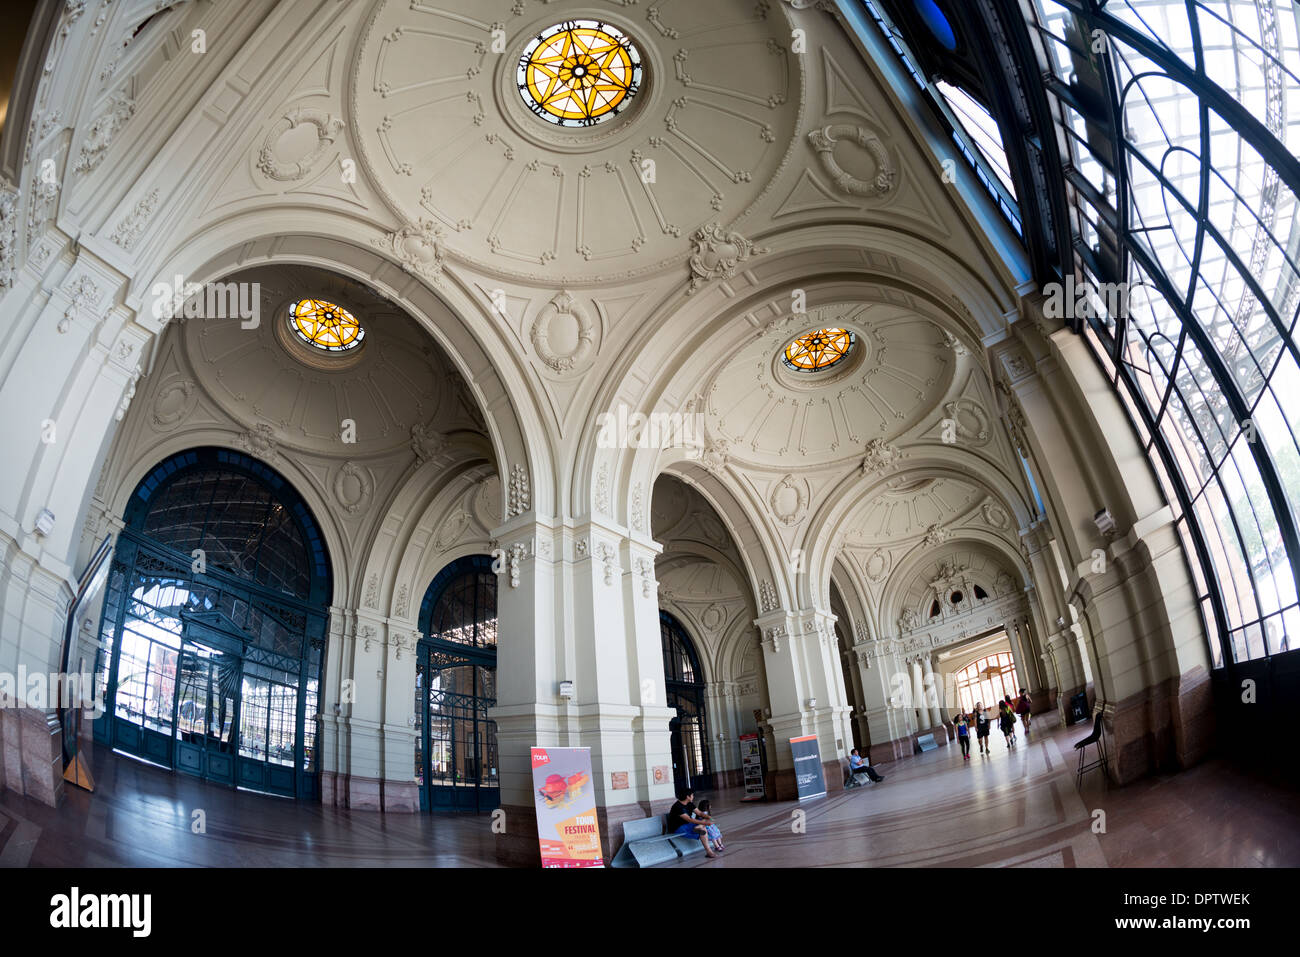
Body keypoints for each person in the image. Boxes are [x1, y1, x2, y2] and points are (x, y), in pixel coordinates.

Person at [666, 787, 716, 858]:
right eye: (692, 795)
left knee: (703, 827)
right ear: (687, 796)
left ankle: (709, 851)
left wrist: (709, 817)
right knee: (703, 828)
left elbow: (699, 813)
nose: (693, 796)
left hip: (688, 825)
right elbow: (689, 819)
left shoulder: (689, 803)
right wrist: (705, 823)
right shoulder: (677, 807)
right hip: (679, 828)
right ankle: (709, 851)